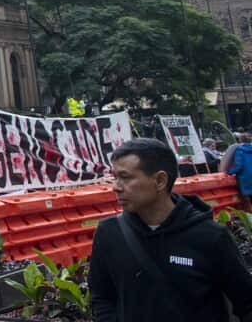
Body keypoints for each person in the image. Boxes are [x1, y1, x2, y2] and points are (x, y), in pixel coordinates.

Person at [88, 138, 252, 322]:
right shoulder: (109, 233)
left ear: (160, 180)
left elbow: (246, 303)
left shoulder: (211, 236)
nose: (115, 187)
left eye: (125, 177)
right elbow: (101, 297)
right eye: (114, 177)